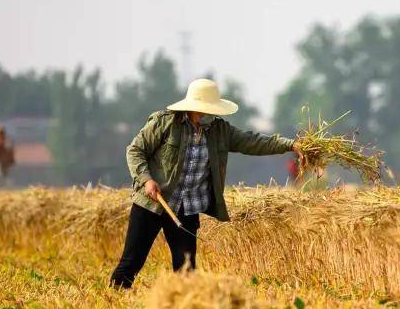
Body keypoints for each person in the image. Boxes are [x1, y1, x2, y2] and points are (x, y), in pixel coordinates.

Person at [109, 78, 302, 289]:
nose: (208, 114)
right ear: (193, 107)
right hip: (153, 203)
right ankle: (114, 297)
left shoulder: (220, 130)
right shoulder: (164, 123)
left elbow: (254, 142)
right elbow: (135, 151)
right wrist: (146, 180)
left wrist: (291, 145)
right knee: (132, 262)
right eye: (204, 109)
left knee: (186, 271)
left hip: (187, 209)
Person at [0, 124, 15, 190]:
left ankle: (7, 187)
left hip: (3, 160)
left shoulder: (5, 141)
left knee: (4, 174)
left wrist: (11, 159)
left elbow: (10, 151)